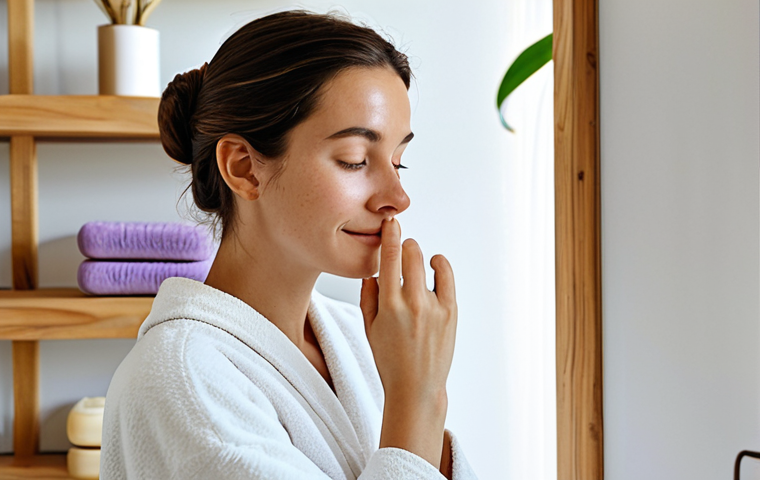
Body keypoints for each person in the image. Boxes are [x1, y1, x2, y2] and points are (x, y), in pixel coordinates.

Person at [100, 10, 477, 480]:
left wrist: (423, 388)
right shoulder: (181, 381)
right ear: (243, 167)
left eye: (398, 162)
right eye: (355, 160)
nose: (397, 198)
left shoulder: (361, 337)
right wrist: (417, 397)